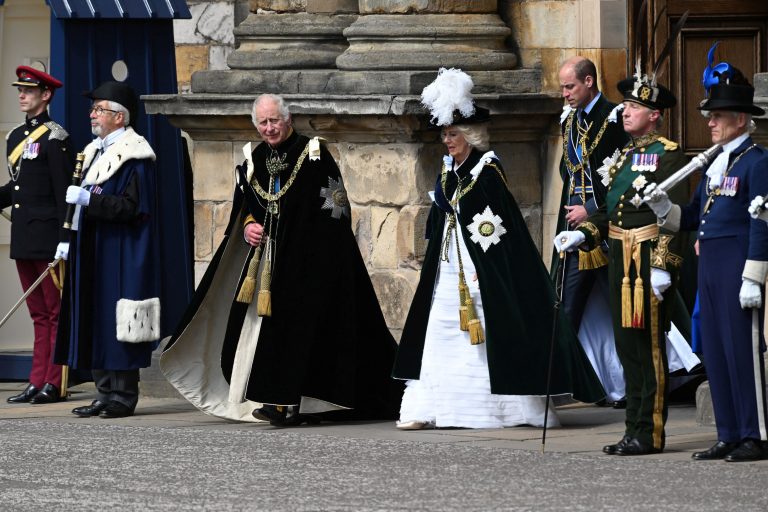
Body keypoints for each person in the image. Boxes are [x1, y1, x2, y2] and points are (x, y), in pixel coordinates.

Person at [161, 94, 402, 425]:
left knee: (300, 334)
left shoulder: (314, 155)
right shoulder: (255, 158)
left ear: (288, 121)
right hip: (266, 265)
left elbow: (335, 209)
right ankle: (274, 399)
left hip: (309, 263)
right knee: (265, 330)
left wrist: (309, 249)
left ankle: (290, 404)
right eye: (263, 122)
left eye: (274, 120)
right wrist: (248, 228)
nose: (269, 128)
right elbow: (245, 208)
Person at [393, 68, 604, 430]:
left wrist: (484, 266)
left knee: (484, 332)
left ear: (470, 135)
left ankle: (496, 408)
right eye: (445, 133)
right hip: (447, 266)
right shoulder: (449, 171)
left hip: (478, 265)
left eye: (454, 133)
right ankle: (428, 408)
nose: (448, 140)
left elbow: (498, 228)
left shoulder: (486, 171)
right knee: (441, 331)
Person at [555, 71, 689, 455]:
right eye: (626, 106)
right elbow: (613, 210)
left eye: (634, 107)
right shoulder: (625, 156)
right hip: (619, 259)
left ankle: (650, 432)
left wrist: (664, 265)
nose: (625, 113)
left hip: (647, 261)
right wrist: (585, 234)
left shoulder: (669, 154)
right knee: (626, 347)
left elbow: (673, 216)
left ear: (654, 115)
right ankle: (633, 428)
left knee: (648, 348)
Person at [646, 65, 768, 462]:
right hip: (711, 261)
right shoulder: (715, 162)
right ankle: (729, 431)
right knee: (715, 349)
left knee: (742, 351)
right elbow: (693, 216)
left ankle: (755, 433)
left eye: (717, 116)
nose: (710, 123)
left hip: (737, 260)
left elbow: (762, 219)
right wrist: (664, 208)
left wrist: (754, 275)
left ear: (740, 119)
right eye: (710, 116)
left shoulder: (756, 161)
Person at [54, 81, 161, 419]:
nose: (92, 115)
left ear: (119, 116)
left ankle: (123, 395)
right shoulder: (92, 151)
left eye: (99, 109)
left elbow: (132, 207)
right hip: (92, 247)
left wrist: (91, 200)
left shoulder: (135, 154)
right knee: (95, 317)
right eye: (94, 109)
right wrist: (67, 239)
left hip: (119, 249)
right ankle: (103, 391)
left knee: (118, 320)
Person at [555, 57, 629, 406]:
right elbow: (568, 171)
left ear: (588, 82)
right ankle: (570, 382)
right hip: (574, 231)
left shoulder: (614, 118)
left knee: (622, 307)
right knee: (568, 305)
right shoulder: (570, 120)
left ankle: (631, 385)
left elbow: (622, 178)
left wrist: (593, 210)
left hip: (607, 227)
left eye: (569, 86)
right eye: (563, 87)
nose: (564, 94)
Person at [2, 66, 73, 404]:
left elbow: (63, 193)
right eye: (20, 90)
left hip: (48, 238)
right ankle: (36, 380)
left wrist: (65, 238)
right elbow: (17, 187)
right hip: (24, 238)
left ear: (46, 95)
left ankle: (54, 382)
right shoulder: (14, 137)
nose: (22, 95)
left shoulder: (56, 137)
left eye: (29, 91)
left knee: (54, 312)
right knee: (37, 314)